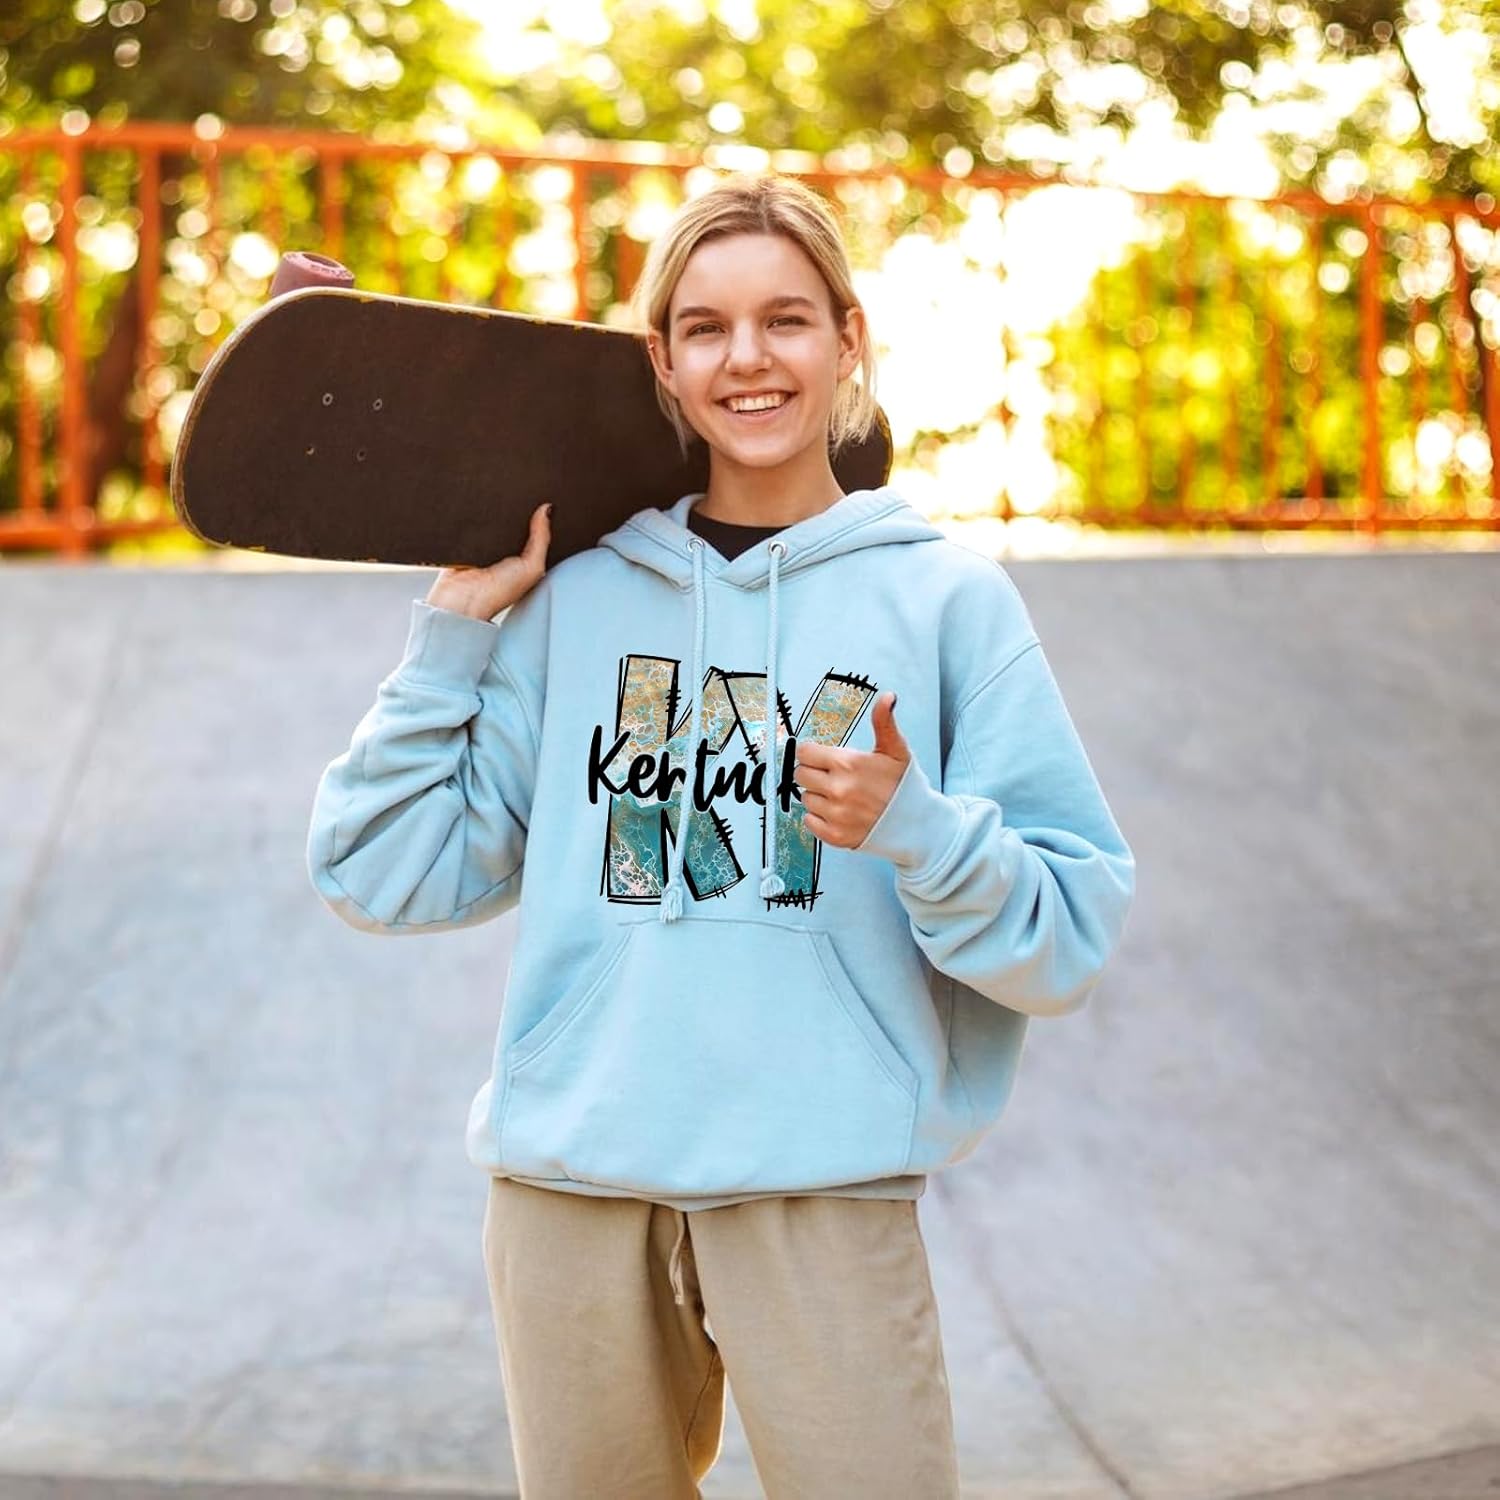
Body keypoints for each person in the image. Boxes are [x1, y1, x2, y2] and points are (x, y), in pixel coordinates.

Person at [306, 171, 1136, 1499]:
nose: (747, 358)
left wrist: (920, 832)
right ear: (664, 361)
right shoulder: (579, 601)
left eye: (786, 319)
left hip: (823, 1184)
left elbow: (1069, 940)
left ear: (847, 339)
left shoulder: (946, 603)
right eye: (706, 327)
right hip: (573, 1190)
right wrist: (454, 631)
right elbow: (377, 872)